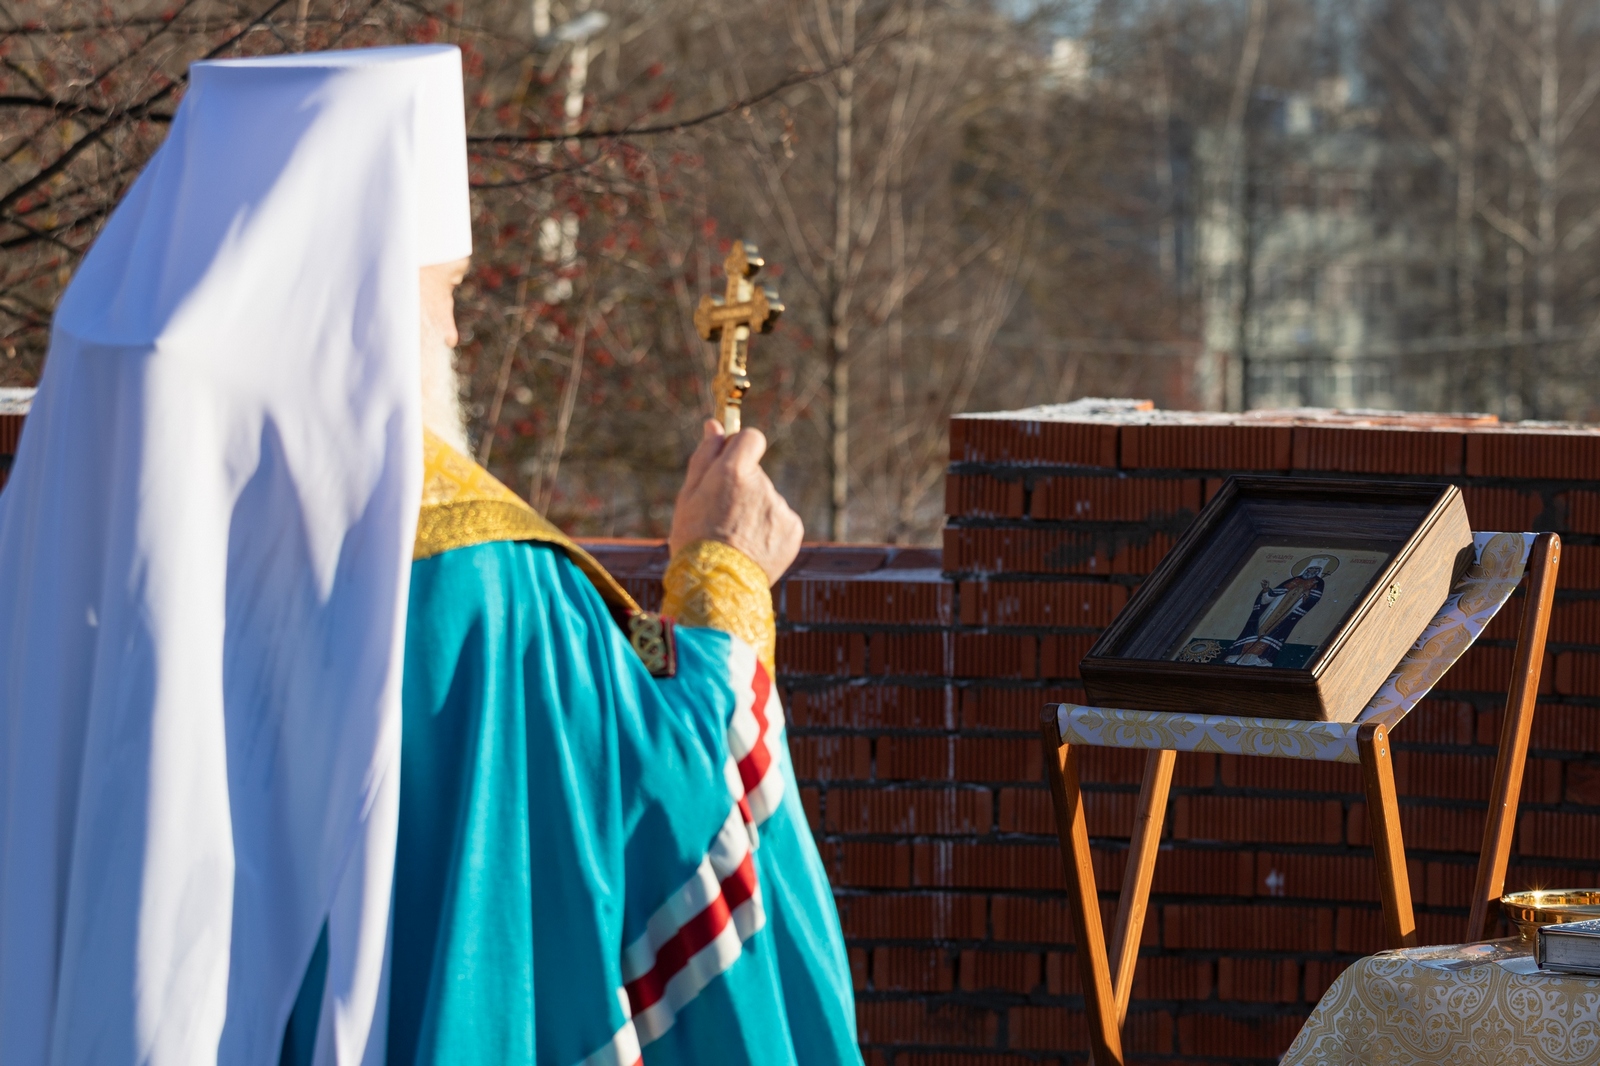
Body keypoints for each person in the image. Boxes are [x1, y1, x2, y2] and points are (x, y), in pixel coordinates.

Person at [0, 45, 859, 1066]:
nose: (453, 333)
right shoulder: (479, 578)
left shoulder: (59, 539)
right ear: (361, 294)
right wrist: (724, 573)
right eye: (444, 289)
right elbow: (669, 792)